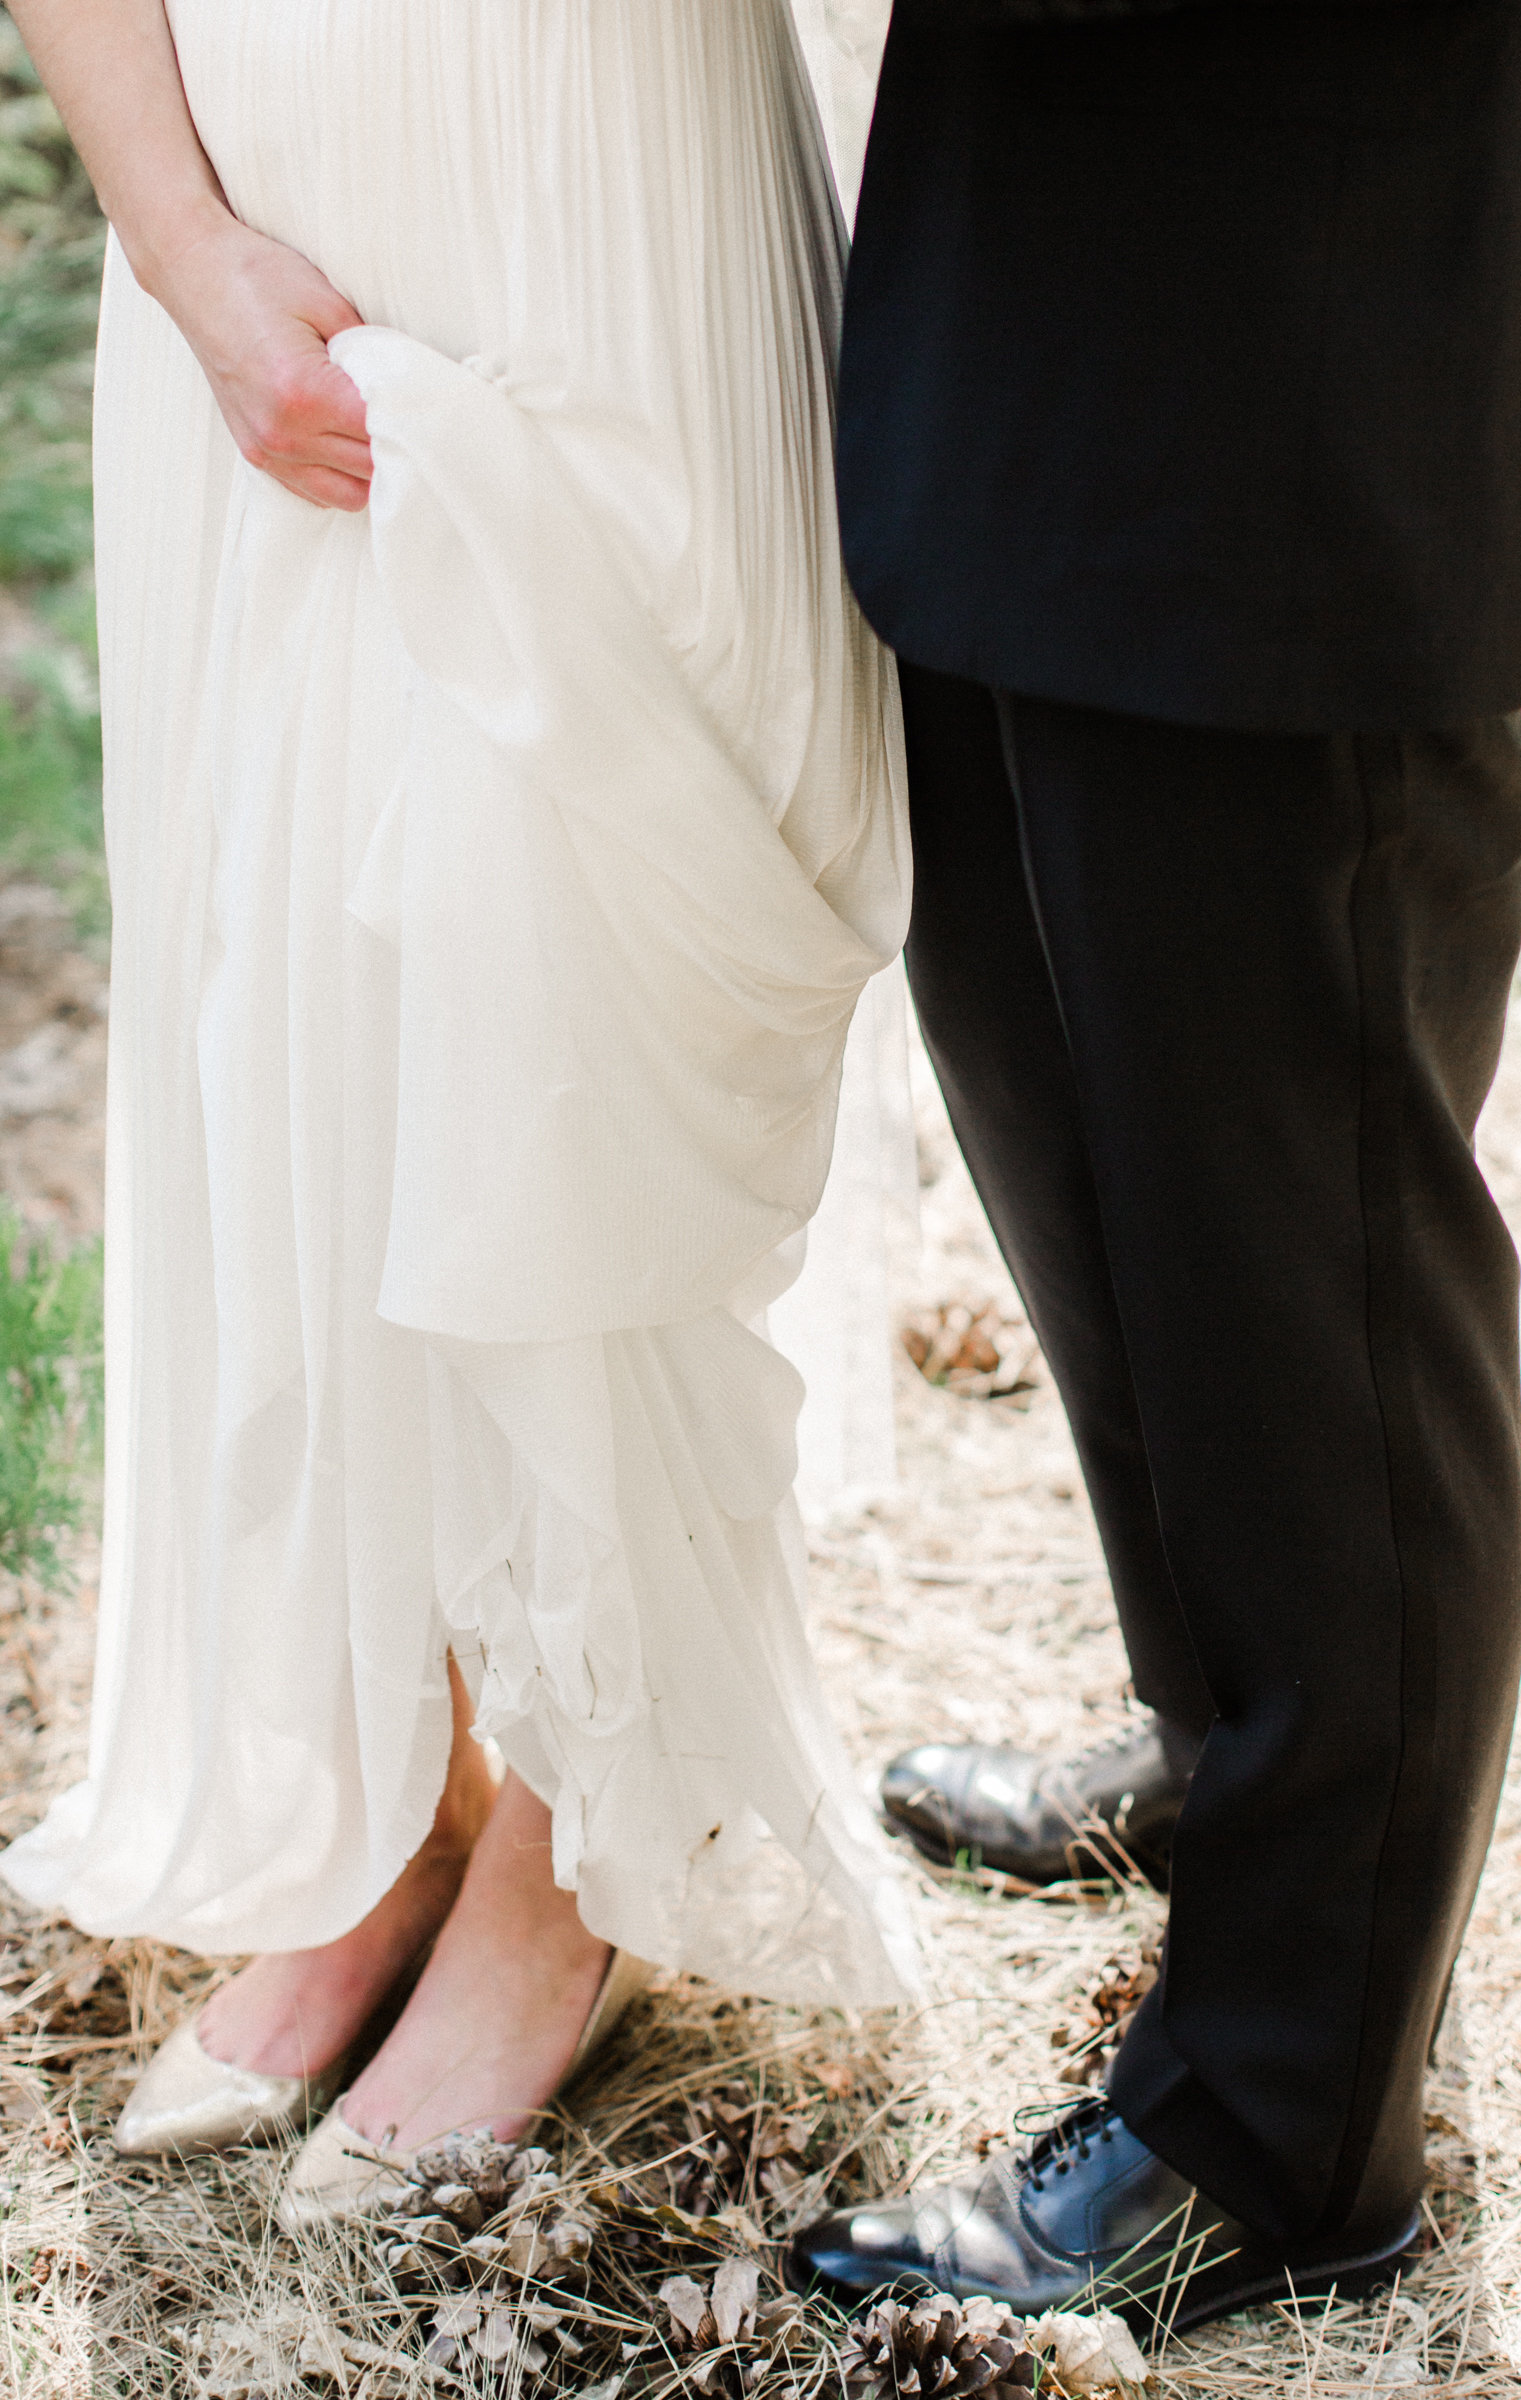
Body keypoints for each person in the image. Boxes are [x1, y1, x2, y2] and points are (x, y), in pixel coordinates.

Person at [0, 0, 914, 2224]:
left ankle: (565, 1856)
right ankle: (398, 1804)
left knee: (558, 978)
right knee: (299, 1004)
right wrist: (185, 243)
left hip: (603, 216)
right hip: (260, 234)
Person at [791, 0, 1521, 2337]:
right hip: (1040, 295)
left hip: (1304, 343)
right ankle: (1239, 1752)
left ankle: (1275, 2124)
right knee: (1091, 1133)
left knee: (1301, 1270)